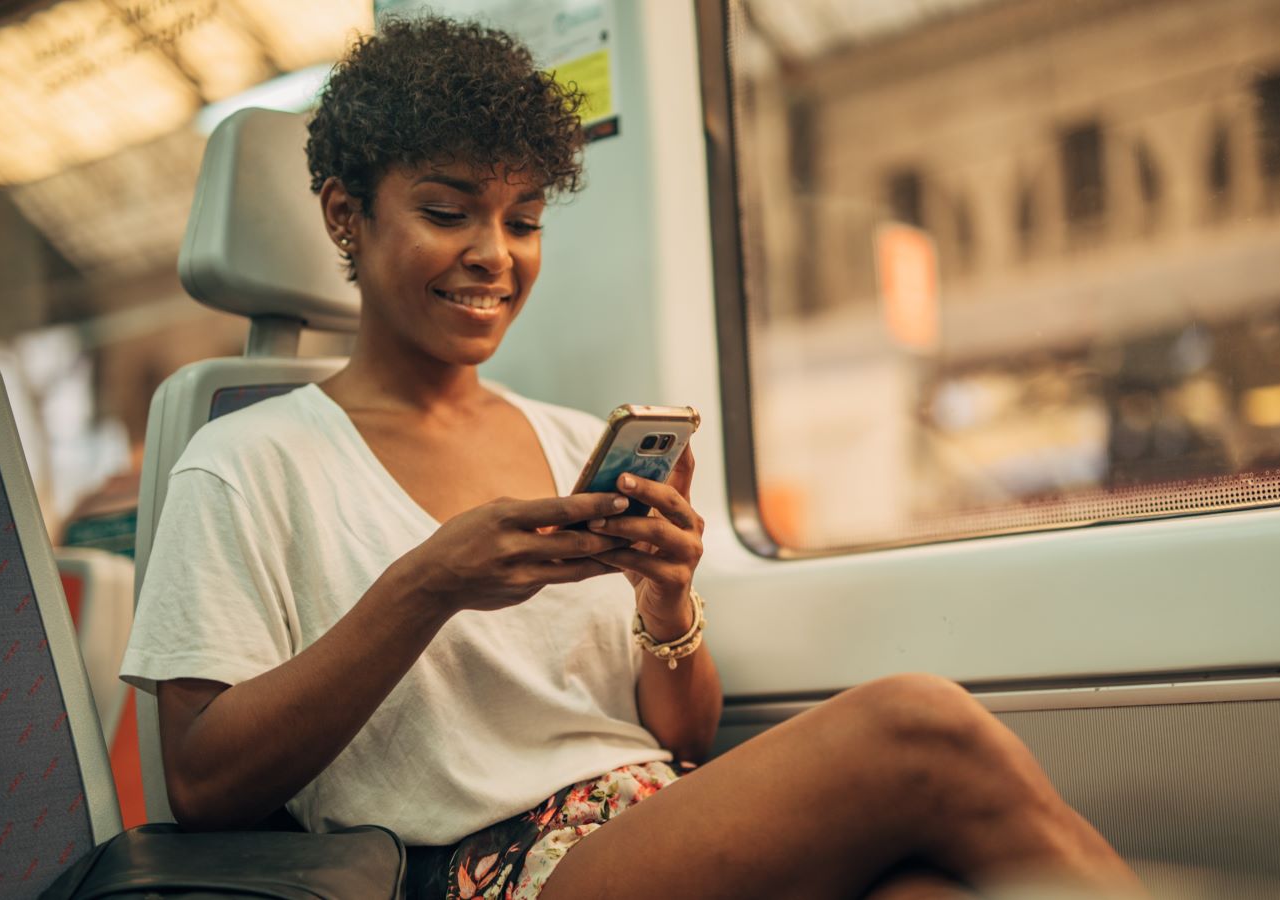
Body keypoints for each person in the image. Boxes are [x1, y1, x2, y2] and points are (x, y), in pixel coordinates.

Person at [119, 16, 1140, 900]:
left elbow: (682, 740)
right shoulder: (248, 461)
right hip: (475, 870)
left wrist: (667, 600)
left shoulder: (570, 440)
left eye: (522, 220)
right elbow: (205, 787)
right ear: (347, 213)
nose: (495, 254)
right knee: (917, 723)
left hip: (643, 825)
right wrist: (426, 585)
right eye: (447, 211)